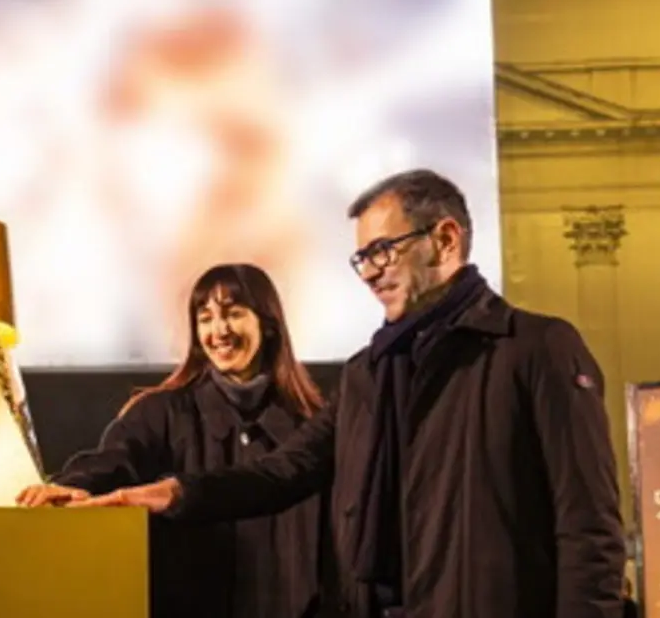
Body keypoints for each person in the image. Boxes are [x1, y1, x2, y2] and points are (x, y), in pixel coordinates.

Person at [73, 169, 626, 618]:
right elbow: (283, 472)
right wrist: (173, 493)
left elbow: (589, 530)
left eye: (383, 251)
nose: (369, 273)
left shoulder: (535, 349)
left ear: (445, 239)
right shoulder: (368, 374)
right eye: (362, 258)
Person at [17, 263, 328, 618]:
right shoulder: (160, 412)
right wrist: (72, 485)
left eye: (234, 314)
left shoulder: (312, 425)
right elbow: (113, 461)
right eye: (205, 318)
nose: (219, 331)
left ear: (269, 325)